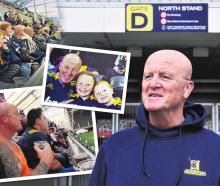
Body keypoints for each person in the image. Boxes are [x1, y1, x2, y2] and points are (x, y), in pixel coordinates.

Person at [89, 50, 220, 186]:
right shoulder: (114, 146)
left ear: (187, 88)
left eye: (165, 77)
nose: (153, 84)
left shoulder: (215, 148)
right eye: (148, 76)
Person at [0, 102, 54, 178]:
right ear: (4, 118)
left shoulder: (14, 145)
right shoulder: (2, 150)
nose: (21, 118)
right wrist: (45, 161)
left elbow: (25, 173)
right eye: (16, 114)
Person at [18, 108, 72, 172]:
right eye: (44, 118)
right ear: (39, 121)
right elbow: (53, 165)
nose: (47, 121)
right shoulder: (36, 136)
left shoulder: (29, 132)